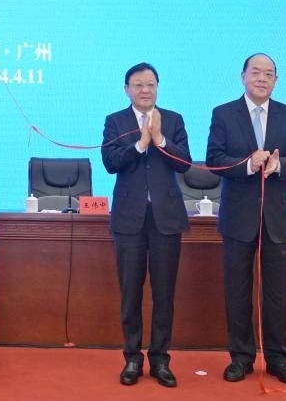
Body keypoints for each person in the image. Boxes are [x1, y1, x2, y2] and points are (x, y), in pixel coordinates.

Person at [206, 53, 286, 387]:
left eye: (268, 74)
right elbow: (214, 160)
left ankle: (279, 359)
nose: (262, 78)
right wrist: (248, 165)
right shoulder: (223, 114)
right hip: (238, 217)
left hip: (276, 218)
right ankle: (241, 357)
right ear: (243, 76)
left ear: (276, 80)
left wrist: (280, 166)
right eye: (256, 72)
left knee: (277, 293)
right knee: (237, 291)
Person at [101, 63, 191, 388]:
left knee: (164, 293)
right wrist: (140, 144)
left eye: (150, 84)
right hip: (129, 219)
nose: (145, 90)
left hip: (166, 218)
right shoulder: (115, 121)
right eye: (138, 84)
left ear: (157, 88)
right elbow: (110, 163)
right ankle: (132, 358)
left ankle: (160, 359)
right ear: (127, 89)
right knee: (131, 292)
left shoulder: (174, 120)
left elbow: (185, 164)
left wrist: (160, 139)